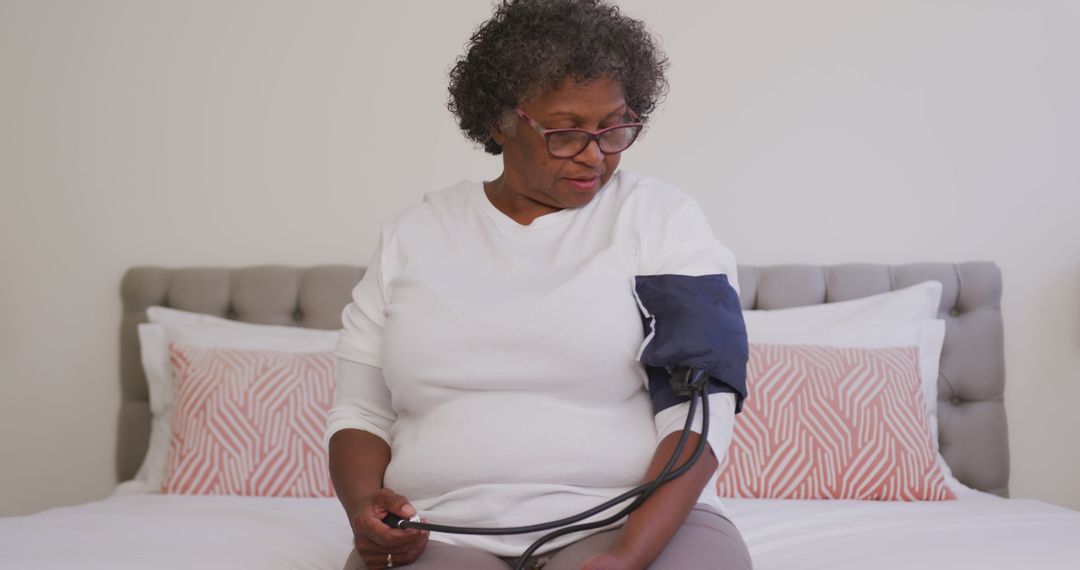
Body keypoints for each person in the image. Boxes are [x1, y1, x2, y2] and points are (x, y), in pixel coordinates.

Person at [325, 1, 753, 568]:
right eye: (566, 132)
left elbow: (700, 407)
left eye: (614, 127)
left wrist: (629, 553)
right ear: (499, 121)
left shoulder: (659, 219)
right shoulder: (414, 236)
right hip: (442, 529)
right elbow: (361, 414)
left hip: (632, 518)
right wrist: (365, 510)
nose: (595, 154)